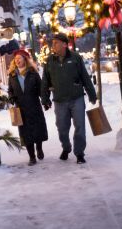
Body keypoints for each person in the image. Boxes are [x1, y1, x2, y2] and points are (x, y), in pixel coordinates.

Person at [41, 33, 97, 164]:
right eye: (52, 43)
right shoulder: (49, 61)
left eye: (55, 43)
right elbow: (45, 81)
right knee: (62, 128)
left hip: (76, 98)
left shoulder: (76, 58)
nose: (53, 45)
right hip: (60, 101)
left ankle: (79, 153)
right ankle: (66, 148)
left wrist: (92, 94)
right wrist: (45, 99)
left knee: (80, 127)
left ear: (64, 44)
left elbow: (85, 77)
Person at [8, 49, 48, 166]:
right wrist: (11, 98)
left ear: (25, 60)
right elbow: (10, 90)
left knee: (37, 129)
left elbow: (41, 89)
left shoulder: (33, 73)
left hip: (34, 105)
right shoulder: (12, 75)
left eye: (20, 58)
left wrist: (45, 101)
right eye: (16, 59)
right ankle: (32, 157)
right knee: (25, 133)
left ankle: (39, 148)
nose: (17, 60)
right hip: (21, 108)